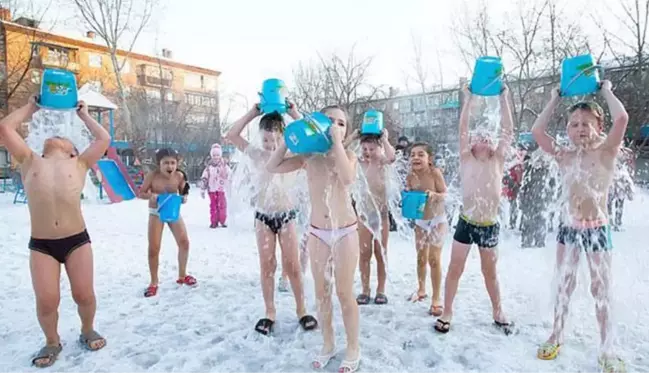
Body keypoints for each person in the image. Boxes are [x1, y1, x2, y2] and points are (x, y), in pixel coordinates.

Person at [0, 96, 110, 367]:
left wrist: (84, 115)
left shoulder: (80, 164)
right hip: (42, 245)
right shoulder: (29, 159)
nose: (56, 135)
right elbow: (5, 129)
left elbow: (103, 140)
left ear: (74, 150)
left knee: (84, 294)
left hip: (77, 241)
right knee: (47, 300)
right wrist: (30, 108)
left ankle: (87, 329)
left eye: (64, 137)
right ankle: (51, 340)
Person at [532, 81, 628, 372]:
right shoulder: (565, 155)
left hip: (597, 228)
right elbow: (537, 132)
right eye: (573, 124)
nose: (579, 129)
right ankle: (557, 333)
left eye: (586, 123)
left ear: (600, 126)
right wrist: (553, 99)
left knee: (601, 288)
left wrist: (606, 91)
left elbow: (622, 119)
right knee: (564, 283)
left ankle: (607, 346)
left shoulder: (607, 151)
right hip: (569, 228)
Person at [266, 105, 361, 373]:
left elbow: (347, 177)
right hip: (318, 232)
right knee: (321, 292)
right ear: (317, 124)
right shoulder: (308, 156)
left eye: (341, 123)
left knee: (343, 292)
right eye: (330, 121)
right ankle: (328, 343)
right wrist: (288, 139)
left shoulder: (348, 154)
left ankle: (353, 347)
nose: (335, 126)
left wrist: (337, 144)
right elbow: (272, 165)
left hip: (345, 232)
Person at [225, 105, 317, 336]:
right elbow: (231, 135)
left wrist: (295, 114)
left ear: (285, 137)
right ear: (261, 138)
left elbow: (316, 139)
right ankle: (269, 312)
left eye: (276, 140)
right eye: (266, 140)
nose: (271, 145)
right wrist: (252, 113)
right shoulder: (257, 155)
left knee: (293, 266)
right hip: (263, 217)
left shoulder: (294, 156)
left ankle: (301, 310)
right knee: (267, 266)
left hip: (287, 216)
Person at [434, 84, 514, 335]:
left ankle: (498, 309)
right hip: (466, 222)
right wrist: (468, 99)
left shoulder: (497, 159)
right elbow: (462, 129)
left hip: (489, 224)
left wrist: (504, 98)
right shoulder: (466, 158)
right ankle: (447, 311)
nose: (484, 138)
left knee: (489, 271)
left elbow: (508, 130)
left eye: (488, 136)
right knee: (454, 268)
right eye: (479, 136)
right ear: (472, 143)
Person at [344, 130, 396, 305]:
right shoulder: (358, 163)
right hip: (364, 216)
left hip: (381, 216)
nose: (367, 152)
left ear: (379, 149)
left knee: (380, 253)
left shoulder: (382, 162)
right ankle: (365, 289)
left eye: (372, 149)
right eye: (365, 148)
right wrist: (353, 137)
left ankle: (381, 289)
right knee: (364, 254)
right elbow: (341, 152)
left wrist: (385, 139)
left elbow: (392, 156)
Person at [139, 148, 194, 297]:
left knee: (184, 242)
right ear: (159, 164)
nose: (170, 166)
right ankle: (154, 282)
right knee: (154, 248)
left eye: (172, 163)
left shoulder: (179, 175)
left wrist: (184, 197)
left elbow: (184, 190)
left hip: (173, 211)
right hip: (156, 212)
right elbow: (141, 193)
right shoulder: (152, 176)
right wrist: (151, 196)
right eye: (166, 163)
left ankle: (182, 276)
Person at [405, 142, 448, 317]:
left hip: (438, 219)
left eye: (420, 154)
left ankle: (437, 298)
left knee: (434, 260)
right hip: (421, 221)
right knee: (421, 258)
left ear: (429, 159)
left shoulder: (435, 173)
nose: (416, 157)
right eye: (413, 154)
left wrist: (435, 195)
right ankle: (422, 289)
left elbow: (446, 194)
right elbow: (409, 195)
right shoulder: (410, 176)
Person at [200, 143, 230, 228]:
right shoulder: (208, 168)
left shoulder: (224, 166)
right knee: (213, 206)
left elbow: (229, 176)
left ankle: (222, 220)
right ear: (211, 155)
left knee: (222, 205)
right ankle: (214, 221)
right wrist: (202, 189)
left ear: (220, 155)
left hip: (221, 189)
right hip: (212, 189)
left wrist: (229, 185)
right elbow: (204, 178)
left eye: (217, 155)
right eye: (214, 155)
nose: (216, 157)